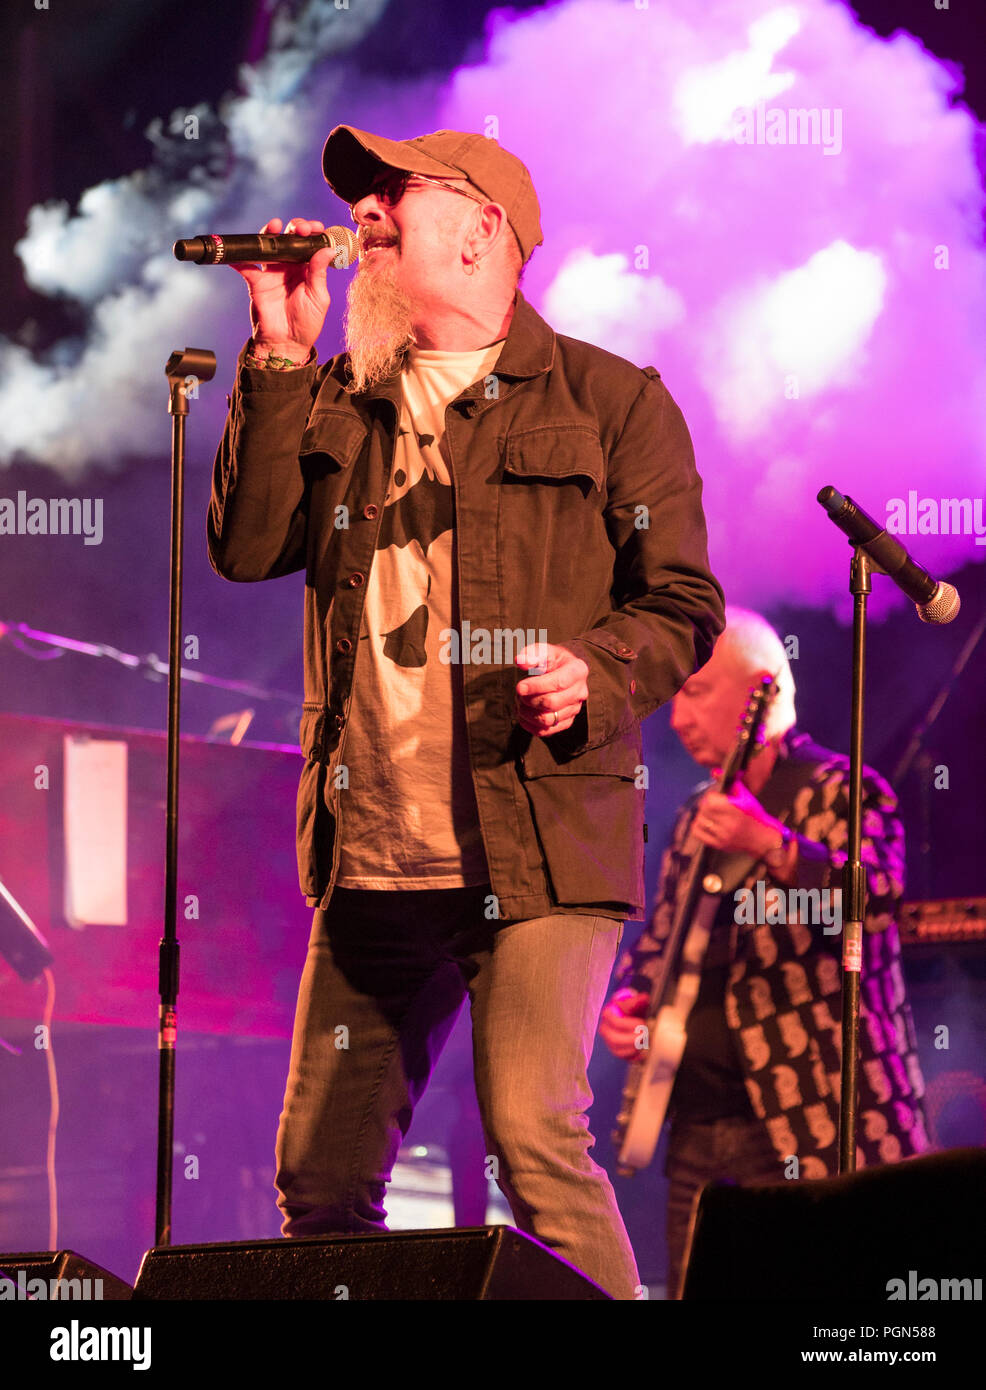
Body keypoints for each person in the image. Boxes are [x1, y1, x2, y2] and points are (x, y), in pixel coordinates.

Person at [206, 124, 725, 1299]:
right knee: (319, 1181)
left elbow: (683, 600)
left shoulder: (608, 400)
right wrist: (278, 352)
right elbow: (246, 548)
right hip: (375, 854)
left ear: (484, 229)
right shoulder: (340, 391)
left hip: (535, 840)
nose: (366, 217)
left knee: (533, 1144)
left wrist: (598, 666)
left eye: (392, 193)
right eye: (362, 200)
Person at [599, 608, 930, 1298]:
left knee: (821, 1299)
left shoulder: (845, 788)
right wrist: (630, 1001)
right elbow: (659, 943)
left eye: (696, 690)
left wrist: (775, 846)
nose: (678, 712)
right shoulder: (693, 815)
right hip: (695, 1116)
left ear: (761, 693)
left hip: (812, 1113)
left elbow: (877, 897)